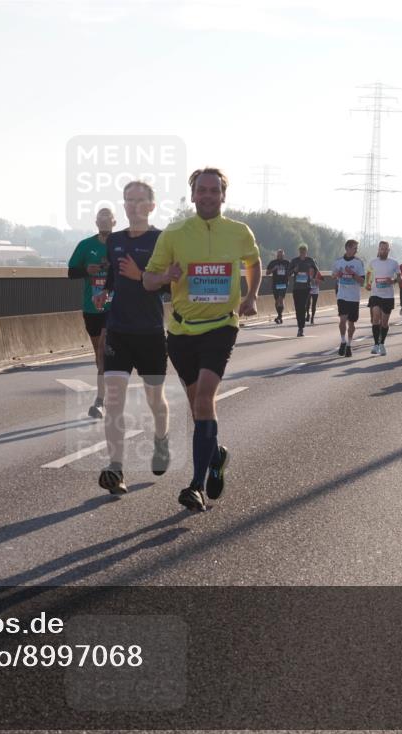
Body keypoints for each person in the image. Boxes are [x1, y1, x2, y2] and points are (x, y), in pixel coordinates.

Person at [143, 167, 261, 512]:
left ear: (223, 196)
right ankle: (217, 454)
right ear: (192, 195)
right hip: (181, 332)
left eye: (214, 190)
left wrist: (251, 296)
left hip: (222, 326)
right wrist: (167, 275)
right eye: (202, 190)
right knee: (198, 409)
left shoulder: (239, 232)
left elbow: (254, 263)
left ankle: (195, 485)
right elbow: (148, 281)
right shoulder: (175, 234)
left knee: (206, 398)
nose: (208, 196)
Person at [92, 182, 171, 495]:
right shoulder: (115, 240)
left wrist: (143, 277)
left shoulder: (161, 240)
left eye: (140, 200)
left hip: (150, 333)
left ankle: (161, 441)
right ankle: (116, 467)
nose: (133, 205)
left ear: (152, 206)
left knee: (155, 399)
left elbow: (169, 284)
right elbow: (113, 276)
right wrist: (105, 293)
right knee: (113, 401)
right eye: (128, 200)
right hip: (119, 331)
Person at [68, 207, 115, 418]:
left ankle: (100, 401)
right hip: (92, 307)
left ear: (114, 222)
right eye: (101, 219)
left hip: (115, 307)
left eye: (108, 219)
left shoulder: (120, 244)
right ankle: (105, 388)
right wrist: (87, 270)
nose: (104, 222)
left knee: (104, 348)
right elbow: (71, 272)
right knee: (98, 353)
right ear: (96, 223)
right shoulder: (86, 245)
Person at [364, 240, 400, 355]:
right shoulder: (373, 262)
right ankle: (375, 344)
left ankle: (382, 344)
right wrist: (367, 284)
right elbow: (368, 274)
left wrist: (393, 280)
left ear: (389, 250)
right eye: (381, 248)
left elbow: (400, 277)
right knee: (375, 318)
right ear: (378, 249)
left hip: (388, 296)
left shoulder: (394, 262)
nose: (383, 251)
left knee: (384, 322)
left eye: (385, 249)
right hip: (375, 294)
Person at [332, 239, 364, 357]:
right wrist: (337, 275)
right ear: (348, 248)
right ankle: (343, 341)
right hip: (342, 296)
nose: (356, 250)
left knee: (351, 324)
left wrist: (352, 274)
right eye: (355, 248)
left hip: (354, 297)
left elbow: (362, 281)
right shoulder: (338, 262)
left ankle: (349, 345)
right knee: (342, 320)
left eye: (356, 248)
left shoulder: (358, 263)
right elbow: (333, 275)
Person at [288, 244, 319, 337]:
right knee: (298, 308)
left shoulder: (310, 260)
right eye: (301, 252)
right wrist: (294, 270)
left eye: (304, 251)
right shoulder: (294, 261)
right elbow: (288, 274)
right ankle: (300, 327)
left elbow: (317, 270)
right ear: (299, 252)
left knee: (302, 306)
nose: (302, 253)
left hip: (306, 287)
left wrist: (312, 277)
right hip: (296, 288)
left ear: (306, 252)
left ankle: (301, 328)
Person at [266, 249, 290, 324]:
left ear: (283, 255)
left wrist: (288, 274)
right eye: (279, 255)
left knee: (281, 299)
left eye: (281, 255)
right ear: (277, 255)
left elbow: (291, 272)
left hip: (283, 283)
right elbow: (267, 273)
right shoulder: (273, 263)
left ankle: (279, 316)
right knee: (277, 301)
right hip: (275, 283)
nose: (280, 256)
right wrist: (273, 269)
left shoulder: (287, 263)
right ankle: (280, 316)